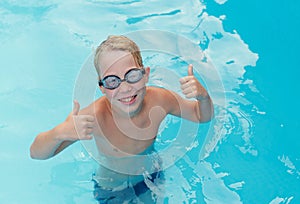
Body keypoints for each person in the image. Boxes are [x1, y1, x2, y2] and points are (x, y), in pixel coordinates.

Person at [30, 35, 214, 203]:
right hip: (112, 187)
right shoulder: (94, 118)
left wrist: (203, 98)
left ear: (146, 74)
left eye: (132, 75)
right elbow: (36, 153)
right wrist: (60, 132)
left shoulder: (161, 100)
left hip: (151, 174)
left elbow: (201, 116)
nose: (125, 88)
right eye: (112, 81)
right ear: (102, 87)